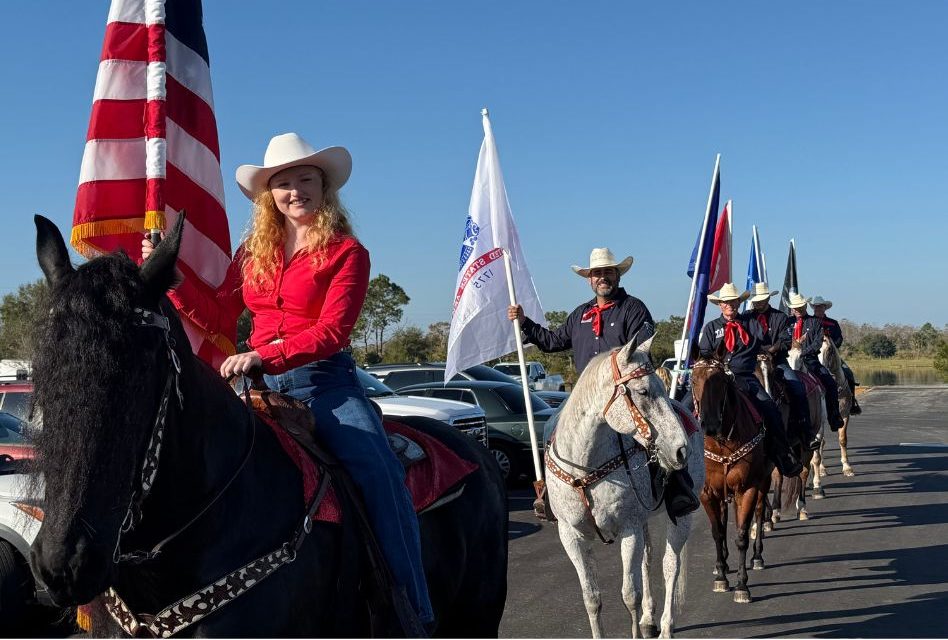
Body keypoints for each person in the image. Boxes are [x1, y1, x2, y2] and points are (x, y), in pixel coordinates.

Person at [142, 132, 432, 628]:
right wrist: (172, 280)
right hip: (257, 386)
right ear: (268, 196)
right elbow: (219, 312)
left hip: (325, 386)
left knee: (378, 473)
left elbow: (332, 331)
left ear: (324, 188)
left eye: (306, 179)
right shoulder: (253, 253)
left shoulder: (347, 252)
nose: (295, 190)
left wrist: (265, 355)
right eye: (283, 184)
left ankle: (411, 609)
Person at [507, 247, 699, 522]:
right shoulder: (580, 314)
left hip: (627, 394)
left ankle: (678, 489)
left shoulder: (634, 308)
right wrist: (525, 323)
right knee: (551, 426)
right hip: (586, 400)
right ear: (589, 279)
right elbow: (552, 342)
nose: (602, 278)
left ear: (617, 276)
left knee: (666, 424)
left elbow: (643, 349)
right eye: (597, 274)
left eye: (608, 272)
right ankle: (551, 494)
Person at [699, 283, 803, 477]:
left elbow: (758, 346)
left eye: (733, 301)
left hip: (744, 376)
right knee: (686, 406)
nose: (730, 305)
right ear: (720, 305)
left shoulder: (750, 324)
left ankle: (782, 454)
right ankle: (684, 466)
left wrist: (738, 359)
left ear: (739, 303)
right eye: (725, 302)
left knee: (770, 408)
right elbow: (704, 353)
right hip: (716, 379)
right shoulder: (711, 327)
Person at [742, 282, 821, 450]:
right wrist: (755, 352)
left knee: (797, 387)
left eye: (761, 299)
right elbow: (742, 341)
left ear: (768, 298)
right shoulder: (745, 318)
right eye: (756, 300)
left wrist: (771, 350)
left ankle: (805, 432)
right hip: (750, 364)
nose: (758, 303)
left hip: (777, 362)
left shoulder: (781, 317)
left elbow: (786, 341)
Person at [784, 292, 846, 431]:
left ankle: (834, 417)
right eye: (795, 308)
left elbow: (818, 343)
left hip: (809, 360)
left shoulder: (815, 322)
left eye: (800, 307)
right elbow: (783, 340)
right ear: (792, 309)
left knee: (830, 383)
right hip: (788, 361)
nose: (798, 310)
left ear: (805, 305)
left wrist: (802, 352)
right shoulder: (787, 323)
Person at [809, 295, 862, 415]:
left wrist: (832, 346)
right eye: (816, 307)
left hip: (832, 356)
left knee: (848, 374)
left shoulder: (833, 323)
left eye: (820, 307)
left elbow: (839, 339)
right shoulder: (809, 322)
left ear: (824, 308)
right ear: (813, 308)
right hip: (813, 356)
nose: (818, 309)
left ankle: (852, 402)